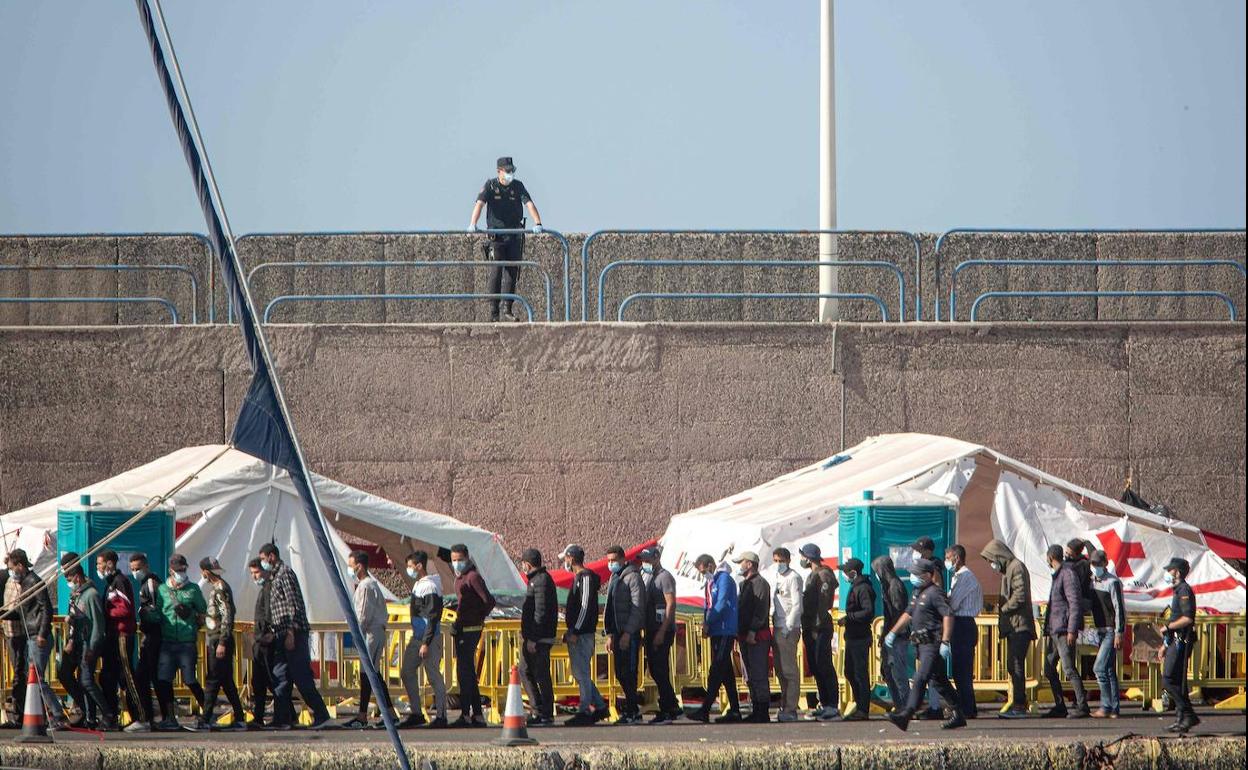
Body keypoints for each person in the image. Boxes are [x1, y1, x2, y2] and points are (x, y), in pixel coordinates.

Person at [883, 559, 965, 732]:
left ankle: (906, 715)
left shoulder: (935, 593)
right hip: (921, 644)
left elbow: (948, 615)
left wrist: (945, 641)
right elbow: (908, 614)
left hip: (932, 644)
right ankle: (959, 713)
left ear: (928, 575)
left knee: (920, 678)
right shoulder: (918, 592)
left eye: (916, 574)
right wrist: (893, 632)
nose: (912, 576)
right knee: (939, 681)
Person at [259, 543, 332, 730]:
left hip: (293, 634)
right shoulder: (274, 577)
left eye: (263, 558)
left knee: (301, 677)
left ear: (271, 556)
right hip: (281, 634)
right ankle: (282, 718)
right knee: (280, 677)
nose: (262, 563)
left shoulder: (285, 574)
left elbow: (294, 604)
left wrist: (292, 632)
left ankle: (321, 714)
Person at [467, 156, 544, 322]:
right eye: (507, 171)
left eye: (512, 171)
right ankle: (493, 312)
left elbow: (529, 203)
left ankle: (508, 310)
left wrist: (538, 222)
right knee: (496, 271)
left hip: (514, 235)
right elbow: (479, 204)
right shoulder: (490, 185)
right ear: (499, 172)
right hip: (496, 236)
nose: (510, 174)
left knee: (512, 273)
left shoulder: (518, 186)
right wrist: (473, 223)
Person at [1, 549, 62, 729]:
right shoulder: (25, 581)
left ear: (20, 566)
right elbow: (21, 612)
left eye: (12, 568)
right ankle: (42, 715)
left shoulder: (33, 582)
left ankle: (58, 715)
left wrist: (43, 633)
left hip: (37, 635)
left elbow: (46, 609)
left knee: (38, 679)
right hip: (31, 635)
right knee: (32, 677)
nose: (11, 572)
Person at [59, 557, 119, 730]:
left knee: (86, 680)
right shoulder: (76, 595)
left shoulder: (91, 595)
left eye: (70, 579)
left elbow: (98, 625)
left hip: (88, 644)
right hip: (77, 642)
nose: (69, 583)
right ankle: (88, 713)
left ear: (77, 577)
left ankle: (108, 715)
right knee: (67, 675)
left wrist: (92, 647)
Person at [980, 539, 1034, 719]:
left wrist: (1002, 609)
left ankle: (1020, 705)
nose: (991, 565)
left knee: (1016, 664)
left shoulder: (1016, 567)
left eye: (991, 560)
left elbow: (1020, 595)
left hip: (1020, 625)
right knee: (1012, 665)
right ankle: (1019, 702)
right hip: (1014, 626)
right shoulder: (1008, 570)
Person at [153, 553, 206, 731]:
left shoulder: (193, 589)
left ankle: (207, 712)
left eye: (183, 569)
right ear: (171, 570)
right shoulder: (162, 590)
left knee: (190, 679)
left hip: (187, 642)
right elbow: (159, 612)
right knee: (163, 680)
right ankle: (169, 717)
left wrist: (193, 617)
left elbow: (202, 610)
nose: (181, 572)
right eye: (178, 570)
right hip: (167, 642)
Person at [689, 553, 741, 724]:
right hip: (716, 630)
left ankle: (705, 709)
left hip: (725, 628)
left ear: (711, 565)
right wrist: (707, 623)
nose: (704, 574)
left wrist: (709, 621)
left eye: (704, 571)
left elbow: (720, 603)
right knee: (726, 672)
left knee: (717, 669)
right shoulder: (711, 582)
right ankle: (734, 710)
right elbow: (709, 604)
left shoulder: (724, 579)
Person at [560, 544, 609, 726]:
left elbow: (585, 606)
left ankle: (585, 709)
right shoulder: (578, 578)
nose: (565, 562)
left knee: (582, 671)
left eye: (565, 558)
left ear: (571, 558)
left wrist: (576, 630)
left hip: (583, 633)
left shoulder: (585, 577)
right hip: (578, 632)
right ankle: (599, 705)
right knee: (580, 672)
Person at [344, 550, 392, 729]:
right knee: (372, 675)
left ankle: (363, 715)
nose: (350, 569)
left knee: (369, 675)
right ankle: (387, 713)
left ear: (359, 566)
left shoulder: (366, 586)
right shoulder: (367, 585)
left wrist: (355, 636)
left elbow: (362, 615)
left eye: (351, 565)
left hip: (370, 634)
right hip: (372, 633)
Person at [399, 550, 447, 728]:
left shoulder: (429, 587)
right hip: (418, 637)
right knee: (406, 671)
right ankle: (416, 712)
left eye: (410, 566)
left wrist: (426, 642)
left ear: (419, 566)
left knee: (433, 675)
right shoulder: (420, 584)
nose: (408, 569)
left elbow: (433, 617)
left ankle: (441, 716)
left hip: (428, 638)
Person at [448, 543, 495, 727]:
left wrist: (476, 618)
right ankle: (474, 714)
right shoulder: (460, 579)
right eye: (453, 561)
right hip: (462, 629)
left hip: (470, 630)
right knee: (465, 674)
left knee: (466, 673)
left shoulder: (472, 577)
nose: (456, 564)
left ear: (467, 558)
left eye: (459, 560)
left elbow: (489, 601)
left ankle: (469, 714)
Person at [198, 556, 246, 731]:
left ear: (205, 571)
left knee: (212, 679)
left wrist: (222, 642)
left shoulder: (219, 589)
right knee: (226, 682)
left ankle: (206, 718)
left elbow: (227, 616)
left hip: (219, 639)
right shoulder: (217, 588)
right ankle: (240, 718)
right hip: (217, 637)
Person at [1041, 544, 1089, 719]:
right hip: (1055, 629)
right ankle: (1060, 705)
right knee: (1049, 668)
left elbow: (1075, 603)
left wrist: (1072, 629)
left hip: (1063, 629)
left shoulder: (1067, 575)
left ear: (1050, 557)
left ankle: (1083, 705)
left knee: (1069, 668)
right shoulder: (1059, 575)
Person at [95, 550, 141, 728]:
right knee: (107, 677)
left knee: (127, 676)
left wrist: (104, 612)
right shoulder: (110, 583)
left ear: (109, 563)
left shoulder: (120, 582)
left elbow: (126, 609)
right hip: (112, 635)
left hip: (122, 634)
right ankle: (111, 716)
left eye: (99, 563)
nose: (98, 567)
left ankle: (140, 717)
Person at [603, 545, 645, 725]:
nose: (611, 564)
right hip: (617, 632)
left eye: (614, 560)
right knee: (620, 672)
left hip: (629, 632)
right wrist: (610, 634)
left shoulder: (633, 577)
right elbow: (611, 609)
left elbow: (637, 607)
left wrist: (628, 632)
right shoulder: (615, 577)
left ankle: (633, 710)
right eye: (609, 560)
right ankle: (630, 708)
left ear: (622, 559)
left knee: (629, 672)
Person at [798, 543, 840, 720]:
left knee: (824, 665)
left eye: (803, 556)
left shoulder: (823, 575)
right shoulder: (812, 575)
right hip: (811, 626)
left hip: (819, 627)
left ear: (808, 558)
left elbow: (823, 603)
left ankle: (832, 705)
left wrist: (816, 625)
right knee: (816, 666)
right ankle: (824, 702)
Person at [1158, 557, 1199, 733]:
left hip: (1182, 639)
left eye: (1170, 570)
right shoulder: (1177, 590)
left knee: (1169, 679)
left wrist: (1167, 627)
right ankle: (1182, 717)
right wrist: (1165, 644)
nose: (1168, 573)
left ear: (1178, 572)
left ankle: (1188, 714)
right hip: (1174, 639)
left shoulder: (1184, 590)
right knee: (1174, 680)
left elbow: (1187, 618)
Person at [640, 546, 680, 725]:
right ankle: (672, 705)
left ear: (656, 558)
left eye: (648, 560)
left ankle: (667, 709)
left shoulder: (665, 577)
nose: (645, 563)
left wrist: (662, 631)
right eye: (643, 560)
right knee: (655, 670)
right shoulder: (649, 577)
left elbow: (670, 604)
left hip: (661, 629)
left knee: (660, 669)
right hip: (651, 628)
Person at [518, 548, 557, 727]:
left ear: (528, 564)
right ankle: (538, 709)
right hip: (533, 637)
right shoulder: (536, 581)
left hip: (539, 638)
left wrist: (533, 638)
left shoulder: (540, 581)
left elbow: (540, 612)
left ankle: (545, 712)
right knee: (525, 670)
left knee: (541, 674)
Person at [733, 551, 772, 723]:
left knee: (758, 673)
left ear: (749, 564)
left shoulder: (760, 584)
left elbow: (761, 609)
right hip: (743, 633)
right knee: (748, 674)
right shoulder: (744, 584)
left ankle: (762, 711)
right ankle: (756, 707)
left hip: (756, 635)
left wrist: (753, 631)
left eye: (742, 562)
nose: (740, 565)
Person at [945, 544, 982, 718]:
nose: (947, 561)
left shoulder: (964, 577)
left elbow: (953, 603)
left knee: (962, 670)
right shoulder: (957, 576)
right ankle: (969, 706)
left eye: (948, 557)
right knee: (960, 670)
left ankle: (967, 708)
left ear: (957, 558)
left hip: (963, 624)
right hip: (960, 624)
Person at [872, 554, 911, 712]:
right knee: (888, 671)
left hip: (898, 636)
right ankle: (899, 704)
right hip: (890, 634)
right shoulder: (886, 585)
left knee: (898, 672)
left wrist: (891, 633)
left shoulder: (895, 586)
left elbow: (897, 613)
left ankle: (906, 705)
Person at [129, 552, 164, 731]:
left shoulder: (150, 583)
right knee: (152, 677)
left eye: (138, 569)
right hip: (149, 635)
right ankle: (156, 716)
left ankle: (147, 718)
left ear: (146, 567)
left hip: (154, 636)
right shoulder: (145, 583)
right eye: (133, 569)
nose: (135, 572)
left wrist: (144, 614)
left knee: (144, 677)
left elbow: (156, 609)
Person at [1089, 550, 1125, 719]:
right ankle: (1114, 708)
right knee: (1109, 670)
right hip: (1099, 630)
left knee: (1099, 668)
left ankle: (1105, 705)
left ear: (1105, 563)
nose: (1095, 567)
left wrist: (1119, 632)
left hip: (1110, 630)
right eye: (1093, 564)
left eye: (1098, 564)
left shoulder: (1113, 582)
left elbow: (1119, 609)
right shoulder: (1092, 582)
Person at [770, 548, 804, 723]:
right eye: (775, 560)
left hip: (788, 629)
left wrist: (787, 628)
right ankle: (784, 704)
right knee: (780, 670)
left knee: (789, 670)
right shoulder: (776, 578)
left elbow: (797, 606)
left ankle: (791, 708)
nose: (778, 564)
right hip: (776, 625)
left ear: (788, 560)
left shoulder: (794, 578)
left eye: (781, 560)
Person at [839, 557, 876, 721]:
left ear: (853, 572)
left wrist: (850, 617)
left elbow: (868, 612)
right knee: (849, 671)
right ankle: (859, 705)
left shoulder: (863, 588)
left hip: (860, 636)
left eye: (846, 572)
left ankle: (863, 709)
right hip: (852, 635)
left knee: (860, 673)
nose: (844, 575)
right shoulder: (855, 586)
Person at [246, 558, 278, 730]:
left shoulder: (269, 588)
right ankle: (259, 716)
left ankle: (283, 715)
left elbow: (270, 613)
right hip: (260, 640)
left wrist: (269, 634)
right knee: (260, 681)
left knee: (267, 680)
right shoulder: (264, 588)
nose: (254, 576)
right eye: (252, 573)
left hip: (265, 641)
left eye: (256, 572)